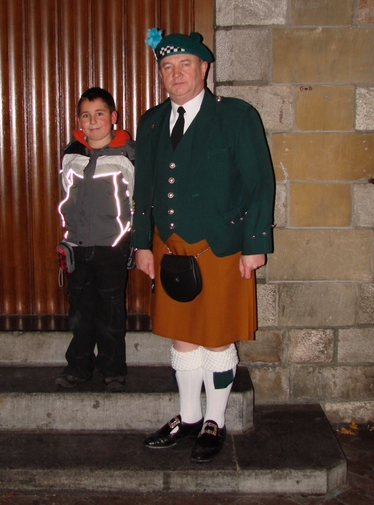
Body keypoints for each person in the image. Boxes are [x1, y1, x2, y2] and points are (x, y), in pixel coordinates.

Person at [132, 31, 275, 462]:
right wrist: (142, 245)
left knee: (216, 339)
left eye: (185, 65)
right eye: (167, 67)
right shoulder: (152, 120)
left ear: (205, 69)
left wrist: (256, 243)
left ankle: (216, 419)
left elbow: (259, 183)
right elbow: (145, 190)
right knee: (182, 339)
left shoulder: (236, 116)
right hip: (168, 247)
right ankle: (188, 416)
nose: (175, 75)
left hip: (222, 250)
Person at [56, 87, 135, 393]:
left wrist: (134, 241)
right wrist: (68, 235)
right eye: (86, 115)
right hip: (77, 247)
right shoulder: (71, 153)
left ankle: (113, 370)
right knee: (80, 312)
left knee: (111, 312)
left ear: (113, 117)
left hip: (112, 247)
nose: (93, 121)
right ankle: (78, 366)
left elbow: (138, 201)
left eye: (100, 114)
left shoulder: (128, 154)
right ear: (78, 119)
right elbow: (66, 195)